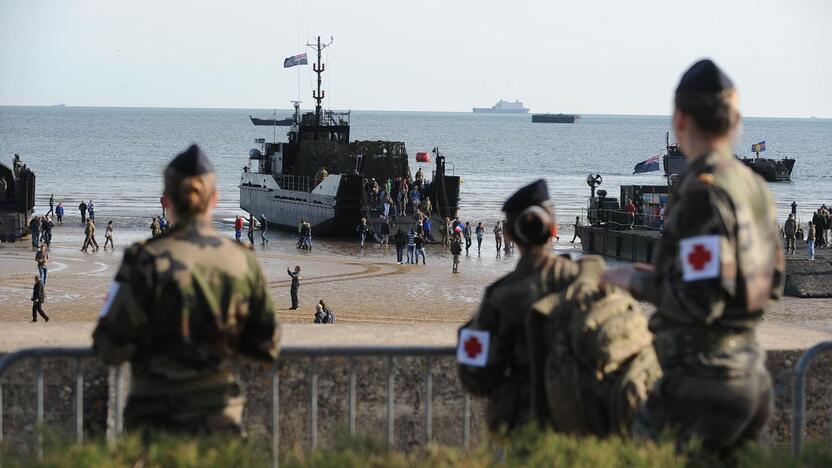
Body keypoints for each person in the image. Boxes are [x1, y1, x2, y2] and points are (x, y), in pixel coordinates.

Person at [602, 60, 784, 456]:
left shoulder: (703, 191)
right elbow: (768, 284)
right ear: (735, 121)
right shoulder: (754, 188)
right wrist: (668, 275)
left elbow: (702, 299)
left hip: (698, 381)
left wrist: (634, 282)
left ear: (681, 119)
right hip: (750, 372)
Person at [92, 144, 279, 435]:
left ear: (167, 200)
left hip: (154, 421)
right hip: (220, 420)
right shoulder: (242, 260)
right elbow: (267, 344)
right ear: (214, 199)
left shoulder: (145, 259)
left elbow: (110, 346)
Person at [458, 179, 579, 433]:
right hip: (588, 425)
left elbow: (474, 374)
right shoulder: (590, 282)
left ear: (508, 233)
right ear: (554, 228)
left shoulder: (501, 298)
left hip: (530, 425)